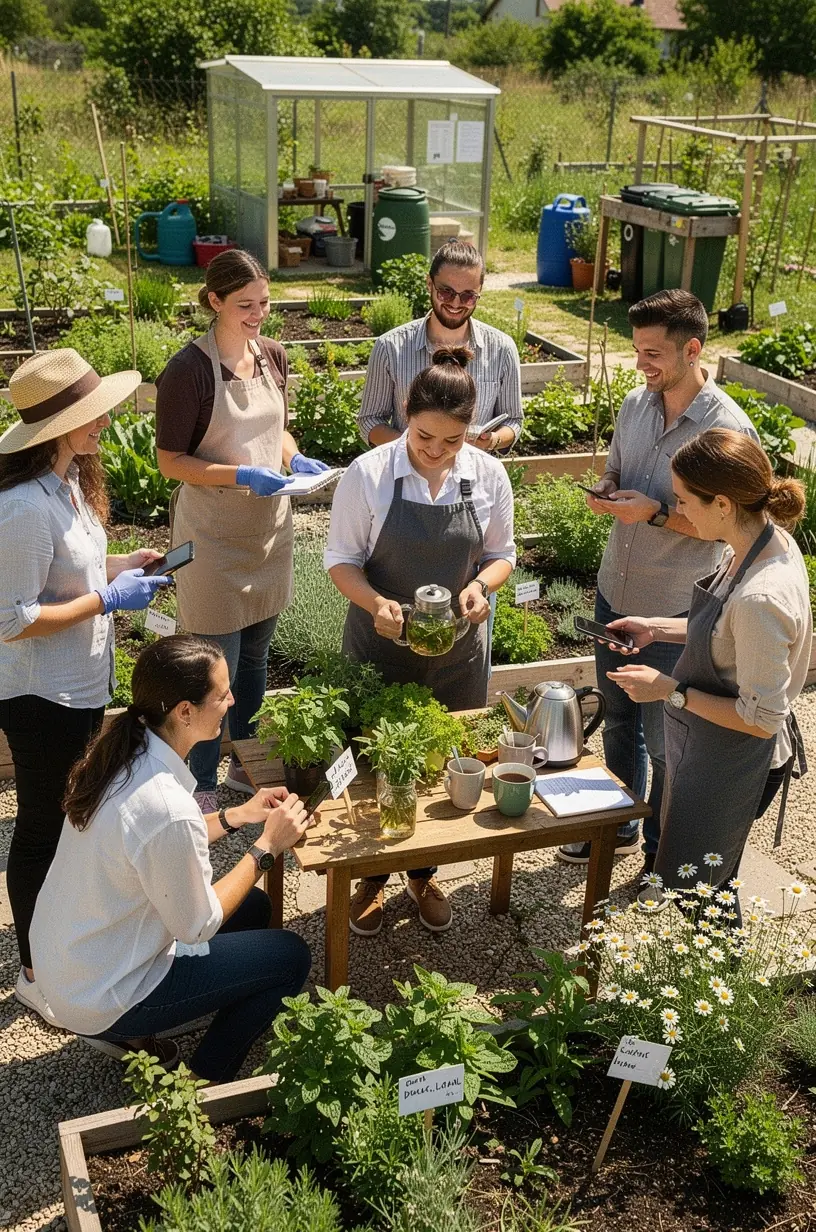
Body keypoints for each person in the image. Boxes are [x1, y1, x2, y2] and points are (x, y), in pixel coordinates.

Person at [29, 635, 312, 1082]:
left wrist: (238, 815)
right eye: (222, 695)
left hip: (71, 967)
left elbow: (156, 836)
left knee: (256, 908)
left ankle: (141, 1035)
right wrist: (266, 849)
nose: (232, 701)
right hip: (102, 994)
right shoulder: (165, 805)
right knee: (292, 957)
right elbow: (196, 925)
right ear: (185, 710)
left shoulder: (127, 748)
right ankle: (202, 1083)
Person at [557, 290, 758, 873]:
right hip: (617, 590)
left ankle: (658, 858)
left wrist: (656, 514)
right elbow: (618, 466)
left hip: (675, 612)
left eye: (653, 353)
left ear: (692, 349)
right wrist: (609, 491)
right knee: (618, 719)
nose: (641, 364)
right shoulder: (635, 405)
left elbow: (734, 531)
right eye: (637, 350)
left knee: (668, 743)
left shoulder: (725, 431)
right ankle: (619, 824)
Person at [0, 348, 171, 1026]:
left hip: (78, 684)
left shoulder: (67, 479)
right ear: (55, 426)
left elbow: (75, 569)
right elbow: (11, 621)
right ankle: (35, 971)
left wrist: (127, 566)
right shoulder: (19, 509)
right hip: (39, 695)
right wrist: (107, 600)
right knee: (42, 820)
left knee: (66, 810)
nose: (102, 420)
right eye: (88, 413)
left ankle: (61, 938)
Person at [326, 345, 515, 937]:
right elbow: (341, 561)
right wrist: (376, 602)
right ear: (406, 413)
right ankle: (373, 879)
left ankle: (424, 874)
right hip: (381, 648)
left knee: (438, 773)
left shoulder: (487, 475)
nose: (435, 452)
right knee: (379, 766)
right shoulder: (371, 474)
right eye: (424, 436)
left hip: (458, 656)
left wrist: (482, 587)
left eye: (451, 442)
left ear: (470, 432)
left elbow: (501, 554)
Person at [155, 248, 328, 815]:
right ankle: (200, 780)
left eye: (265, 303)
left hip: (267, 532)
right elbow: (170, 461)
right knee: (211, 673)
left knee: (254, 658)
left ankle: (242, 765)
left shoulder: (272, 355)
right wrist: (240, 476)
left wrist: (294, 458)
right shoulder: (187, 371)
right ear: (214, 302)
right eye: (246, 305)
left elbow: (278, 430)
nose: (259, 314)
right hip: (212, 538)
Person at [605, 429, 811, 906]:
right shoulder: (759, 539)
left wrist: (668, 690)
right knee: (706, 885)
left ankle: (724, 976)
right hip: (714, 749)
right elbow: (722, 629)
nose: (677, 512)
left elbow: (762, 720)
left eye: (682, 501)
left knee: (708, 898)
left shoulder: (763, 597)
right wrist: (655, 628)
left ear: (721, 503)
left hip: (741, 760)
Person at [358, 239, 523, 453]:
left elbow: (513, 420)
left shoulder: (502, 348)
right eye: (446, 292)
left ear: (479, 292)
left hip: (474, 476)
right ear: (429, 284)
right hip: (408, 474)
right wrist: (411, 446)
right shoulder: (390, 347)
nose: (455, 303)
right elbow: (369, 420)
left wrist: (491, 440)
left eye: (468, 296)